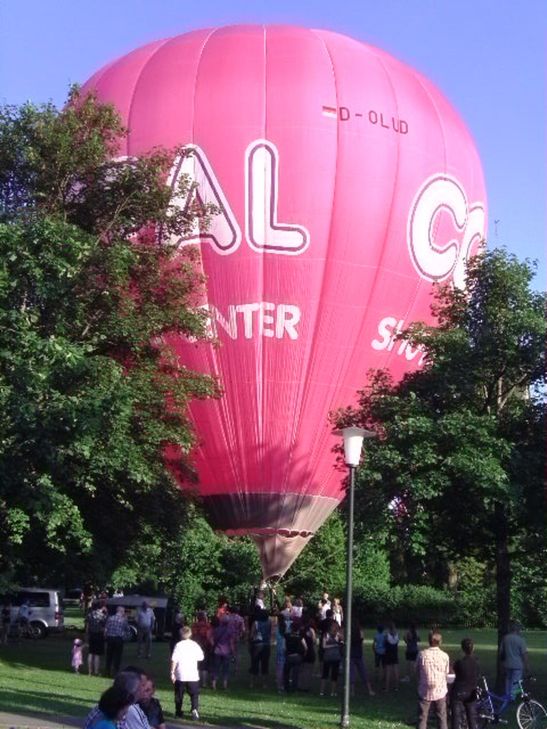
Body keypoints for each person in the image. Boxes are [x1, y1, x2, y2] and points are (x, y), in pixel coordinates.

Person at [84, 667, 151, 729]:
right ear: (128, 693)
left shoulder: (105, 706)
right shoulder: (130, 710)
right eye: (141, 686)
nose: (143, 690)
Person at [415, 630, 450, 729]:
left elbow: (416, 670)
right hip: (440, 690)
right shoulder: (444, 656)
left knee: (422, 717)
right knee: (442, 717)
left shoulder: (422, 654)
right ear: (440, 642)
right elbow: (446, 672)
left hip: (425, 690)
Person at [171, 625, 204, 720]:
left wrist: (172, 672)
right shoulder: (195, 645)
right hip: (192, 674)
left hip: (180, 674)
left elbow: (174, 659)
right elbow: (201, 657)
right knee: (194, 694)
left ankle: (178, 711)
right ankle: (194, 708)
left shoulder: (178, 645)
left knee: (179, 694)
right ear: (190, 634)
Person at [451, 638, 480, 729]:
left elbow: (453, 673)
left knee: (456, 716)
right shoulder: (476, 662)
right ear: (473, 648)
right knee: (471, 717)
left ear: (462, 649)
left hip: (459, 691)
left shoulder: (459, 662)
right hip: (471, 691)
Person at [500, 620, 530, 698]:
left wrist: (502, 663)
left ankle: (507, 695)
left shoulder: (505, 638)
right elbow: (524, 654)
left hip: (507, 663)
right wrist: (527, 666)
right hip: (517, 665)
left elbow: (502, 652)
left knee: (508, 680)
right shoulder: (520, 640)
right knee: (516, 682)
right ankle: (512, 697)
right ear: (517, 629)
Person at [349, 620, 375, 697]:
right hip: (359, 654)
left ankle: (352, 691)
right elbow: (361, 639)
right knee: (363, 673)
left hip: (351, 654)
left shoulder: (350, 634)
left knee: (351, 674)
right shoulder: (360, 633)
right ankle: (370, 690)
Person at [249, 608, 272, 688]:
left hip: (257, 644)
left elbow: (251, 635)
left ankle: (251, 683)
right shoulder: (269, 622)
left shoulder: (255, 623)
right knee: (265, 664)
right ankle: (264, 684)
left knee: (254, 663)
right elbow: (270, 632)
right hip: (266, 645)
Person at [105, 606, 130, 677]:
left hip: (110, 638)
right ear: (121, 612)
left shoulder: (110, 618)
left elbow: (106, 628)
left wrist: (106, 636)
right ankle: (115, 672)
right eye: (123, 611)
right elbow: (127, 629)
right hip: (118, 639)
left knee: (109, 656)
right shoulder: (123, 620)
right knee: (117, 656)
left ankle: (107, 671)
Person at [211, 615, 234, 690]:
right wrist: (233, 652)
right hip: (226, 651)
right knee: (226, 668)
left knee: (216, 668)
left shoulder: (217, 629)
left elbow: (212, 638)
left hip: (217, 650)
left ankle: (214, 684)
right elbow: (231, 642)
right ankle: (225, 685)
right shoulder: (230, 630)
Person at [283, 620, 307, 692]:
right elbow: (305, 647)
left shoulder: (287, 636)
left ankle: (286, 687)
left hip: (289, 656)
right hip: (297, 656)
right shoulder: (300, 637)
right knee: (295, 673)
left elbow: (284, 647)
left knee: (286, 673)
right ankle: (294, 688)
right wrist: (303, 654)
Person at [320, 621, 342, 697]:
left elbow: (342, 641)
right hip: (328, 656)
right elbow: (324, 646)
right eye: (334, 626)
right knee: (325, 674)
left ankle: (333, 692)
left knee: (334, 675)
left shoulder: (338, 635)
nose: (335, 628)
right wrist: (334, 645)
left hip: (336, 657)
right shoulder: (326, 635)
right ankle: (322, 691)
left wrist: (339, 636)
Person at [191, 610, 213, 687]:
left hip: (194, 646)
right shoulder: (207, 626)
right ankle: (203, 683)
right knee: (204, 666)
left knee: (195, 664)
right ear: (204, 617)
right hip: (204, 647)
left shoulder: (194, 625)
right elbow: (208, 637)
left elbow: (192, 636)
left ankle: (195, 681)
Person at [86, 600, 107, 676]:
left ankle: (89, 671)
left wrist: (87, 635)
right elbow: (104, 628)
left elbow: (87, 627)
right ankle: (96, 671)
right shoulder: (103, 616)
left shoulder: (90, 614)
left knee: (90, 653)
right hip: (99, 635)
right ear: (101, 606)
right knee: (97, 655)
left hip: (91, 635)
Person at [384, 622, 400, 691]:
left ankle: (387, 688)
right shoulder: (397, 635)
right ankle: (396, 687)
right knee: (395, 670)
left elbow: (385, 642)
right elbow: (397, 642)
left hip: (388, 653)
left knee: (388, 671)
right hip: (395, 653)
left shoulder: (387, 635)